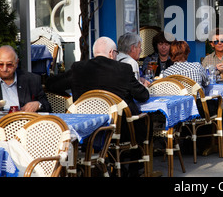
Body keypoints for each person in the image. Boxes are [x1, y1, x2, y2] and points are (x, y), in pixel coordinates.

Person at [45, 36, 150, 176]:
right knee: (144, 121)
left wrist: (71, 100)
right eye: (116, 53)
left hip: (87, 128)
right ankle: (132, 169)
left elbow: (52, 85)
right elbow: (142, 95)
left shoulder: (79, 68)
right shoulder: (123, 69)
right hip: (119, 129)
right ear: (112, 53)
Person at [0, 45, 51, 112]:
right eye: (0, 64)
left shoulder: (32, 79)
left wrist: (38, 105)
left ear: (16, 63)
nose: (4, 69)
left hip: (25, 121)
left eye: (9, 65)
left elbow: (47, 107)